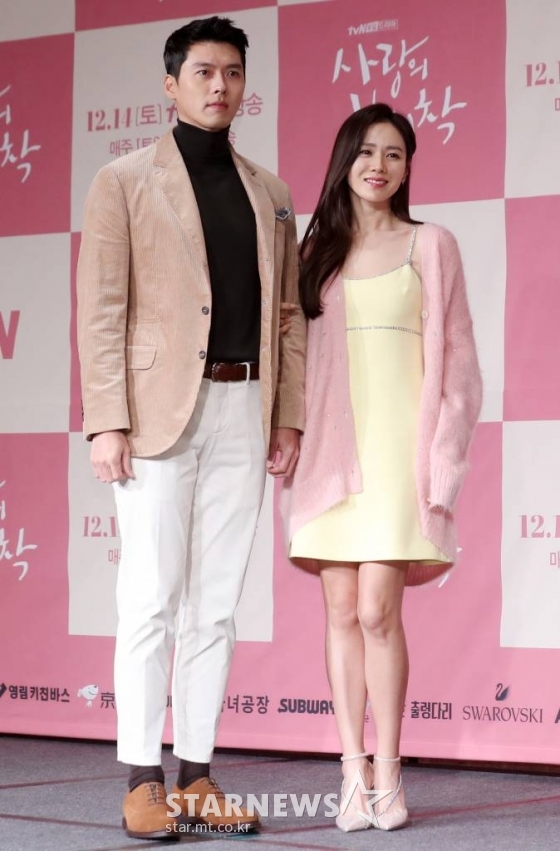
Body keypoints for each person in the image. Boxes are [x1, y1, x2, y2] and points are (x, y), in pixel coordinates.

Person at [77, 16, 305, 840]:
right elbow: (101, 309)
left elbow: (287, 316)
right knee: (149, 596)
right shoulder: (123, 181)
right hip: (155, 416)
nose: (220, 85)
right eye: (204, 71)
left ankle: (198, 773)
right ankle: (143, 776)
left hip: (245, 405)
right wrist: (107, 421)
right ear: (170, 84)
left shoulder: (271, 192)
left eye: (233, 72)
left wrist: (287, 413)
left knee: (216, 605)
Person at [283, 103, 482, 832]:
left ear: (407, 168)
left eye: (394, 154)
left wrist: (443, 459)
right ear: (345, 161)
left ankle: (391, 771)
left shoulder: (433, 244)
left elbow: (459, 365)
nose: (379, 165)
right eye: (366, 151)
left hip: (401, 452)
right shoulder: (313, 253)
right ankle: (351, 772)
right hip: (329, 453)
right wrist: (285, 431)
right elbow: (291, 357)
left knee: (376, 610)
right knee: (340, 610)